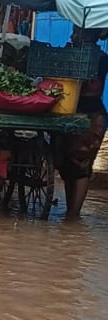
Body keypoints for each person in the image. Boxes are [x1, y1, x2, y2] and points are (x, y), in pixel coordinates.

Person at [59, 27, 108, 219]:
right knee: (69, 165)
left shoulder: (98, 58)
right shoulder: (96, 57)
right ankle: (71, 214)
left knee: (81, 164)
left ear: (88, 35)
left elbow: (88, 86)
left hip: (89, 116)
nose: (72, 36)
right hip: (75, 113)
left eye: (77, 32)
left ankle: (73, 214)